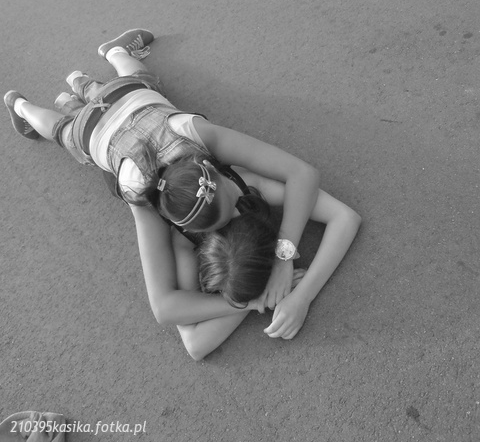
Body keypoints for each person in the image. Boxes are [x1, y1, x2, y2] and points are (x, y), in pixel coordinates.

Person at [4, 28, 361, 359]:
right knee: (65, 128)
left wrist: (280, 264)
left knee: (73, 123)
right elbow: (167, 313)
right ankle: (62, 88)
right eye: (238, 204)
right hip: (111, 116)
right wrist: (255, 300)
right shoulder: (143, 195)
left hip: (122, 106)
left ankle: (41, 98)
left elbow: (176, 320)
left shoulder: (191, 158)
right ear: (213, 169)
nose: (240, 200)